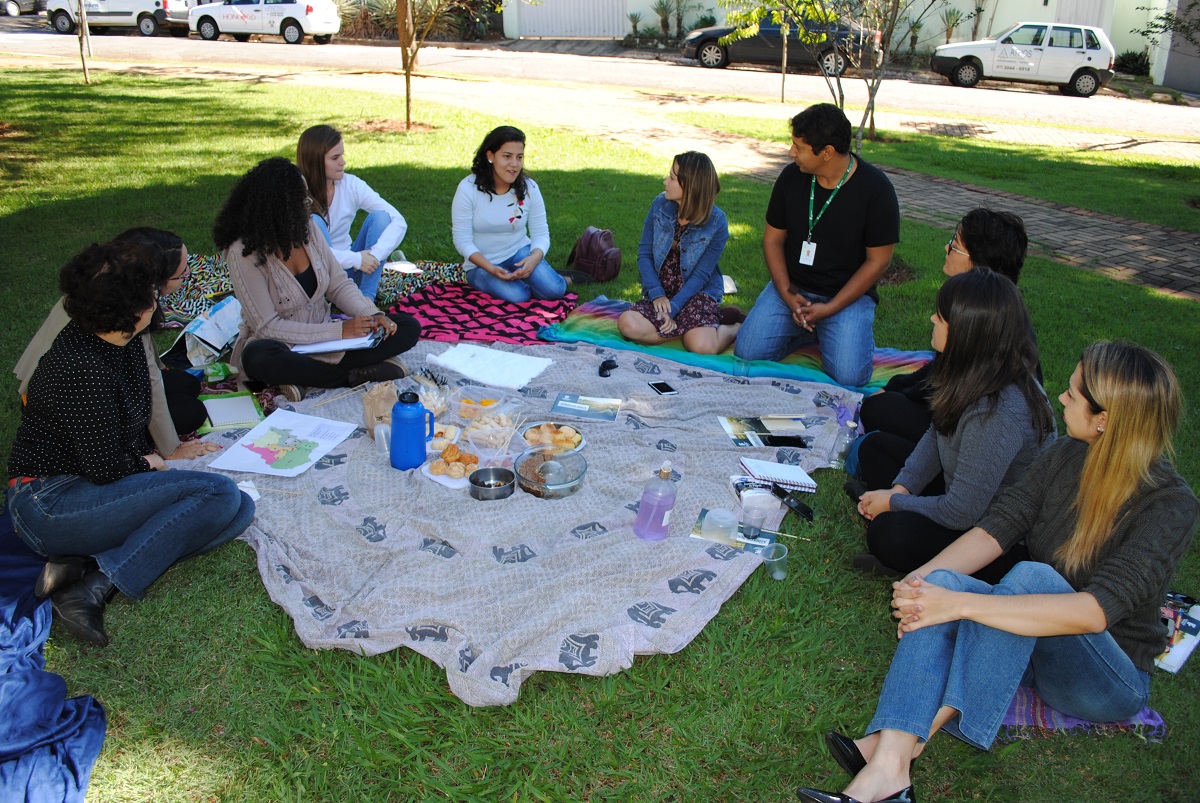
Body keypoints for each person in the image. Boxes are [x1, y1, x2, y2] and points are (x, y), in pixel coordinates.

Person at [797, 341, 1199, 803]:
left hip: (1106, 675)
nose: (1061, 398)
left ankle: (909, 744)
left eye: (1072, 394)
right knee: (941, 583)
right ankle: (889, 764)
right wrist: (918, 583)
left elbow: (1093, 614)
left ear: (1104, 418)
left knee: (1029, 579)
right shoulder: (1067, 454)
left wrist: (963, 604)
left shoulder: (1169, 504)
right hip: (1037, 642)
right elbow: (997, 529)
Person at [6, 238, 257, 648]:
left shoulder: (118, 341)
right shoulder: (81, 366)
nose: (158, 299)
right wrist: (154, 462)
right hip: (47, 503)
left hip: (83, 487)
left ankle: (82, 564)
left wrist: (154, 460)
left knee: (239, 509)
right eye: (152, 293)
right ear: (133, 308)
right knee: (218, 493)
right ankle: (95, 587)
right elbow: (106, 468)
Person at [853, 271, 1055, 581]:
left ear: (966, 332)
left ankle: (914, 557)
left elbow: (962, 512)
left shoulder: (998, 413)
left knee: (890, 534)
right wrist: (901, 488)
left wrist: (894, 504)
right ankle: (888, 509)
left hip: (994, 534)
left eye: (942, 317)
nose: (933, 318)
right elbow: (937, 432)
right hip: (962, 490)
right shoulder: (971, 370)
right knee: (874, 448)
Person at [213, 157, 421, 402]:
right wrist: (339, 331)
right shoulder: (242, 252)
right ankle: (349, 377)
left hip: (328, 343)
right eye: (300, 199)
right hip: (283, 347)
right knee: (257, 356)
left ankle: (307, 380)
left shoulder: (307, 229)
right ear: (275, 208)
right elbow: (267, 326)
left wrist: (372, 314)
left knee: (407, 328)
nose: (309, 203)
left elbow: (338, 283)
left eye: (306, 195)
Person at [734, 103, 900, 387]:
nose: (790, 153)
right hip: (793, 288)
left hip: (846, 296)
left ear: (827, 153)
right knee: (747, 352)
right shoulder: (791, 178)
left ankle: (822, 326)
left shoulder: (876, 189)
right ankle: (811, 329)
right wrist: (788, 295)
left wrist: (832, 307)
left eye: (798, 147)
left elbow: (878, 261)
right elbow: (773, 239)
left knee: (851, 376)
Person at [13, 227, 210, 455]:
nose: (187, 275)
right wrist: (170, 449)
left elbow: (147, 371)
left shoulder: (108, 285)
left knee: (186, 384)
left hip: (86, 390)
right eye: (181, 273)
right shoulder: (126, 313)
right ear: (154, 280)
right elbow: (148, 381)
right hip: (72, 409)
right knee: (190, 411)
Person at [858, 208, 1030, 447]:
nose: (946, 248)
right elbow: (939, 370)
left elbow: (946, 380)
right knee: (884, 408)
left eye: (955, 244)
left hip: (973, 431)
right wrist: (893, 387)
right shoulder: (993, 304)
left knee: (878, 412)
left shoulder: (981, 319)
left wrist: (892, 394)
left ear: (977, 260)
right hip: (960, 410)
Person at [617, 152, 740, 355]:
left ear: (691, 187)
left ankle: (733, 328)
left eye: (673, 178)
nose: (665, 182)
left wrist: (673, 310)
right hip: (662, 291)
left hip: (695, 292)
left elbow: (701, 275)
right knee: (628, 324)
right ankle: (685, 330)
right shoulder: (659, 205)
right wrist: (657, 295)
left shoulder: (717, 222)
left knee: (703, 347)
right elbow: (644, 254)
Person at [451, 125, 568, 304]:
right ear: (490, 156)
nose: (514, 164)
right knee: (519, 296)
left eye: (519, 157)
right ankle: (536, 280)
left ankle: (554, 278)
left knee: (556, 290)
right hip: (481, 264)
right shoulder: (467, 189)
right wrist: (491, 268)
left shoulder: (529, 188)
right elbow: (462, 241)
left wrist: (534, 258)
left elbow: (541, 234)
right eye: (507, 156)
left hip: (519, 253)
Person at [297, 124, 407, 302]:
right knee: (314, 221)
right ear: (314, 161)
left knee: (381, 218)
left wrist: (373, 256)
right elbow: (309, 253)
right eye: (335, 157)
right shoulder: (296, 193)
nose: (343, 162)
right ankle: (341, 301)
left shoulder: (351, 184)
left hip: (348, 272)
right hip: (314, 278)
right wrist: (356, 259)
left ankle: (366, 300)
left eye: (342, 155)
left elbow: (399, 221)